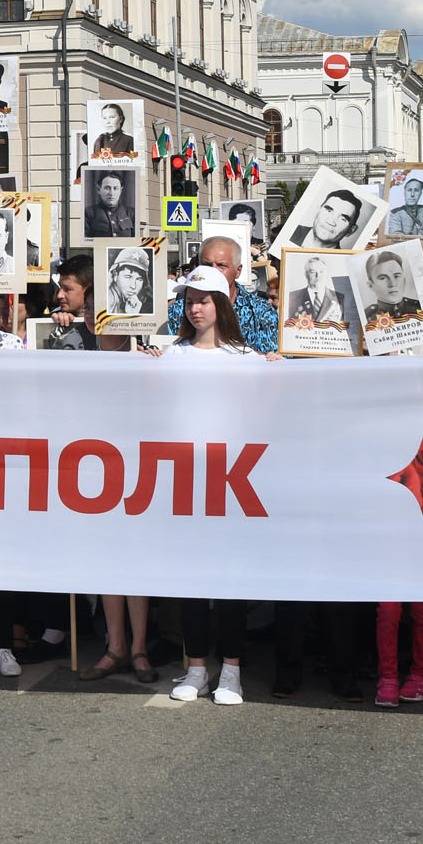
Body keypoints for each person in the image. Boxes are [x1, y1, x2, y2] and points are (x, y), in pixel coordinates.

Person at [166, 265, 254, 705]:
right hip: (185, 480)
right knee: (192, 580)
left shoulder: (247, 360)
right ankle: (196, 666)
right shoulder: (172, 356)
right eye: (189, 300)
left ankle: (233, 671)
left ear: (221, 304)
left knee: (232, 581)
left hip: (235, 482)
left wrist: (280, 371)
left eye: (204, 300)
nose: (195, 308)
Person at [170, 236, 279, 353]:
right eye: (207, 265)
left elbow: (273, 360)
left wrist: (243, 355)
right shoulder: (178, 310)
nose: (214, 271)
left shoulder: (261, 311)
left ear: (238, 271)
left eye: (221, 265)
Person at [39, 256, 97, 351]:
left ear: (88, 288)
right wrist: (56, 324)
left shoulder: (107, 321)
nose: (59, 295)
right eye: (60, 287)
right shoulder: (55, 317)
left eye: (67, 289)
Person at [361, 250, 423, 328]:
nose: (393, 284)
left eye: (397, 276)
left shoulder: (421, 308)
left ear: (404, 279)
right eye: (383, 278)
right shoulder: (365, 319)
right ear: (370, 285)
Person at [289, 187, 365, 251]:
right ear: (318, 210)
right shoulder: (288, 233)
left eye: (343, 219)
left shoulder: (343, 263)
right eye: (329, 211)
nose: (331, 222)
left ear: (351, 230)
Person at [83, 171, 136, 238]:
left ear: (120, 191)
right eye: (107, 188)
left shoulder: (132, 213)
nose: (111, 193)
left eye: (115, 188)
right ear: (99, 190)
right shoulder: (88, 213)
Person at [105, 247, 151, 317]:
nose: (133, 286)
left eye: (139, 279)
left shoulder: (126, 301)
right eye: (128, 277)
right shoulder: (109, 301)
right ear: (115, 275)